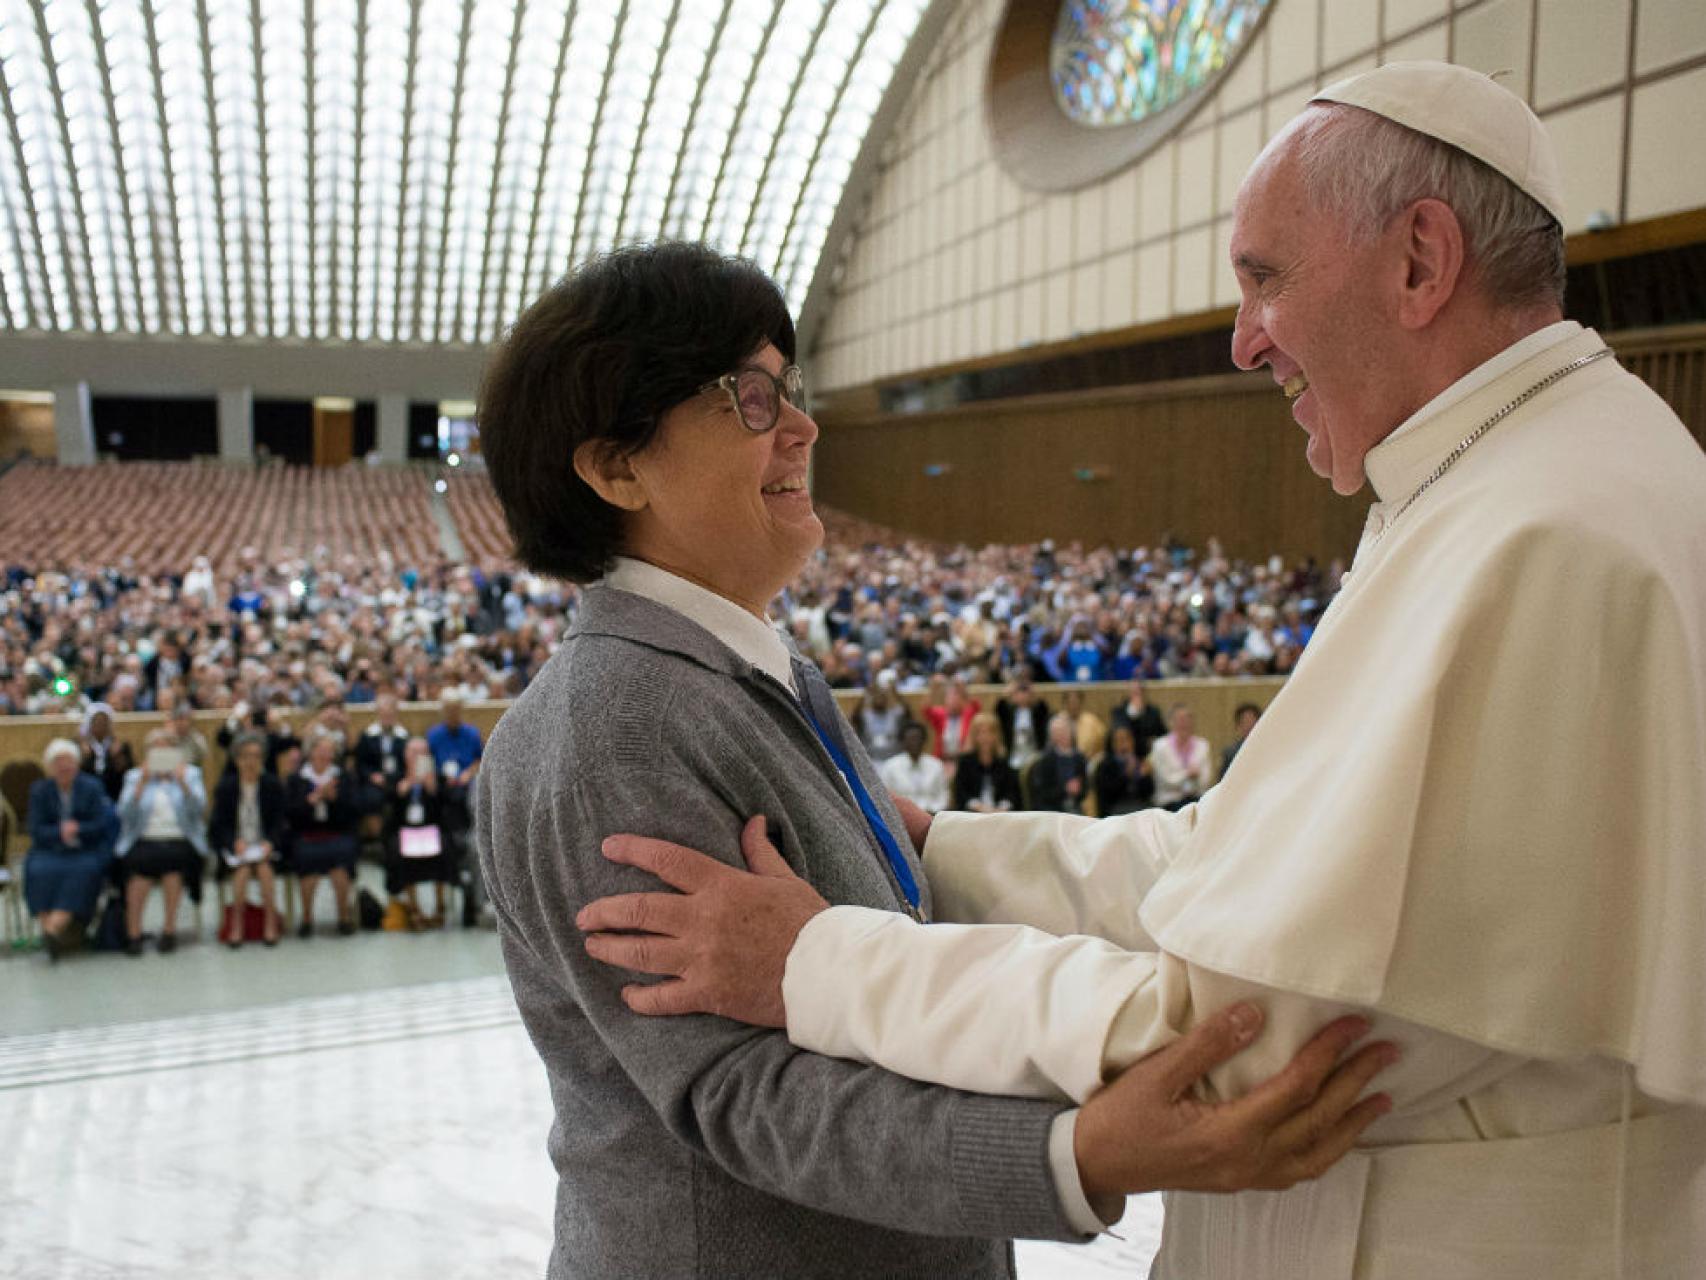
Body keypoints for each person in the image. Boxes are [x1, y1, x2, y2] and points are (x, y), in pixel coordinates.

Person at [573, 64, 1706, 1277]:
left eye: (1264, 278)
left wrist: (820, 962)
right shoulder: (1516, 481)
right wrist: (940, 851)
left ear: (1418, 262)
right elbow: (1233, 863)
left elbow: (1237, 1044)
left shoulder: (1541, 537)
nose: (1242, 338)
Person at [475, 242, 1391, 1280]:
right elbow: (743, 1091)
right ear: (616, 466)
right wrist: (1071, 1152)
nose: (802, 428)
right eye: (750, 398)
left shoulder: (754, 672)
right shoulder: (614, 728)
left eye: (789, 389)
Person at [114, 728, 210, 955]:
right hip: (144, 839)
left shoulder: (190, 774)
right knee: (138, 871)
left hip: (179, 839)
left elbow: (198, 811)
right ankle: (134, 933)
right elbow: (124, 814)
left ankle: (169, 930)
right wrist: (141, 785)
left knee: (173, 867)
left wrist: (183, 783)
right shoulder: (135, 777)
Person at [24, 738, 115, 960]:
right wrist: (59, 831)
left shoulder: (92, 787)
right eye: (58, 762)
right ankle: (52, 931)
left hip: (84, 849)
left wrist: (78, 828)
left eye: (68, 761)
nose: (64, 767)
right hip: (49, 849)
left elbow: (101, 824)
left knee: (83, 872)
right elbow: (35, 828)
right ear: (50, 767)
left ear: (76, 764)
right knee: (37, 871)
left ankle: (53, 928)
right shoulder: (40, 790)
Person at [207, 731, 286, 947]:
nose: (251, 762)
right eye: (246, 756)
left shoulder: (271, 785)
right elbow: (218, 825)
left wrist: (270, 842)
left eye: (256, 756)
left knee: (264, 870)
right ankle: (236, 924)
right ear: (237, 760)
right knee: (242, 872)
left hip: (263, 846)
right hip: (238, 847)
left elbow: (280, 822)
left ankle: (270, 922)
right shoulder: (226, 787)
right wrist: (233, 842)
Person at [286, 730, 360, 938]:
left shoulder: (343, 777)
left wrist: (335, 799)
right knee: (307, 860)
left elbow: (353, 811)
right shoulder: (297, 779)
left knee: (341, 862)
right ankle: (307, 918)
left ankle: (343, 917)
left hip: (337, 832)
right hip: (307, 834)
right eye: (321, 750)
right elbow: (290, 814)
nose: (325, 755)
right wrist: (311, 800)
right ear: (311, 753)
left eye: (329, 751)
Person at [384, 736, 454, 927]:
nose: (417, 757)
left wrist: (432, 789)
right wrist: (404, 787)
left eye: (422, 752)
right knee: (399, 852)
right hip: (405, 831)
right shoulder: (396, 777)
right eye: (413, 752)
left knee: (444, 848)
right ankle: (414, 907)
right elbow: (389, 802)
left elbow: (447, 803)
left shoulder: (437, 776)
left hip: (431, 829)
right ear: (405, 755)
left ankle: (440, 906)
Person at [950, 713, 1022, 814]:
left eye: (990, 732)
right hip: (972, 814)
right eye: (980, 733)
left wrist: (1001, 808)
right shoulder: (965, 762)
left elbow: (1012, 793)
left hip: (1000, 814)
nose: (985, 737)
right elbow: (961, 793)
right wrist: (979, 806)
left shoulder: (1004, 761)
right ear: (974, 736)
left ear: (997, 735)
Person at [1148, 704, 1213, 810]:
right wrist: (1188, 774)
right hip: (1170, 801)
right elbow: (1165, 781)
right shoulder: (1160, 746)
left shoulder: (1203, 745)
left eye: (1188, 718)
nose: (1184, 723)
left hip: (1197, 799)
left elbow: (1206, 779)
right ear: (1171, 722)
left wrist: (1186, 778)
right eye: (1180, 719)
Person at [878, 720, 949, 814]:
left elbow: (943, 795)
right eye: (910, 739)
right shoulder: (890, 766)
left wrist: (934, 811)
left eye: (918, 738)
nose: (915, 743)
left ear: (924, 741)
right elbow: (886, 797)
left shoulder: (936, 765)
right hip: (902, 817)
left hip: (932, 815)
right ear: (903, 742)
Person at [1027, 712, 1089, 814]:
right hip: (1052, 809)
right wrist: (1065, 789)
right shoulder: (1045, 760)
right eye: (1058, 733)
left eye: (1065, 731)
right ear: (1052, 736)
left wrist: (1079, 789)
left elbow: (1085, 787)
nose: (1062, 735)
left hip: (1075, 807)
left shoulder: (1079, 758)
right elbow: (1041, 793)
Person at [1093, 724, 1153, 817]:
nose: (1124, 744)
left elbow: (1149, 792)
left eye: (1127, 739)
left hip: (1140, 806)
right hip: (1116, 809)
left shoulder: (1140, 761)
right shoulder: (1105, 765)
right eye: (1119, 740)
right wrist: (1126, 775)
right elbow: (1107, 795)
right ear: (1112, 744)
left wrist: (1144, 777)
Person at [78, 702, 133, 801]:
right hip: (85, 797)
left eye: (104, 721)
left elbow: (129, 773)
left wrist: (118, 757)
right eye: (96, 721)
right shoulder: (79, 745)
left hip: (114, 796)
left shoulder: (121, 745)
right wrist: (85, 757)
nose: (100, 725)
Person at [994, 673, 1049, 772]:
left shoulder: (1036, 712)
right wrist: (1009, 691)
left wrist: (1032, 691)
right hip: (1013, 757)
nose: (1022, 696)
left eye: (1025, 692)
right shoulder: (1009, 712)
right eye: (1019, 693)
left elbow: (1044, 708)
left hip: (1034, 757)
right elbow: (999, 708)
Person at [1107, 678, 1165, 760]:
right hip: (1125, 754)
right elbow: (1121, 732)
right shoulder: (1119, 711)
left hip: (1148, 754)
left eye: (1139, 692)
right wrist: (1135, 713)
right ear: (1129, 693)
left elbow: (1162, 733)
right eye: (1134, 692)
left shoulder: (1153, 712)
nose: (1137, 695)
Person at [1220, 702, 1262, 777]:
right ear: (1238, 726)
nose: (1249, 726)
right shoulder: (1230, 753)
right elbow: (1223, 779)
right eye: (1245, 722)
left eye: (1252, 721)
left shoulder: (1268, 749)